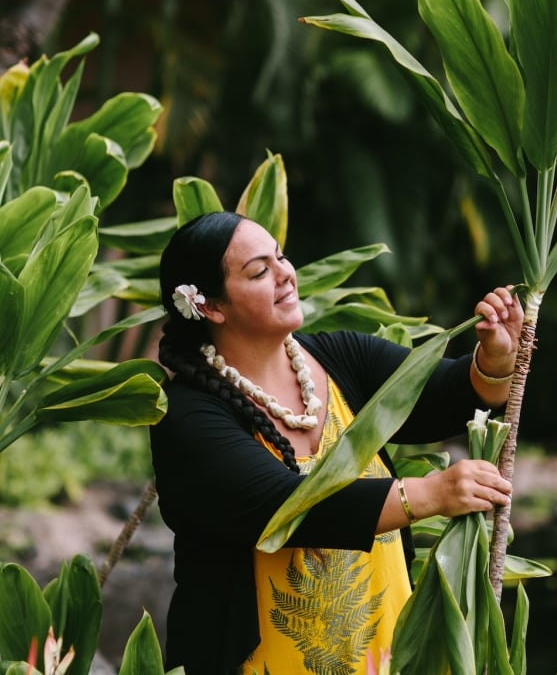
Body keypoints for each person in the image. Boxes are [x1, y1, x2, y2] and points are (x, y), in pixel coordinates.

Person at [151, 211, 520, 675]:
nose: (285, 274)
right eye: (260, 271)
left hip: (382, 650)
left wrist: (495, 358)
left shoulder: (344, 359)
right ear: (211, 307)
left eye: (281, 258)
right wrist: (429, 494)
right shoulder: (187, 417)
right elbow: (285, 506)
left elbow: (450, 396)